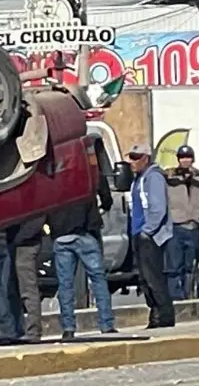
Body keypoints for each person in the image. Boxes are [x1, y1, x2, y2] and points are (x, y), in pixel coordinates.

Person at [46, 174, 116, 339]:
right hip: (85, 232)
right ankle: (106, 324)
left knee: (65, 284)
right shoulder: (87, 176)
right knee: (98, 279)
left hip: (61, 235)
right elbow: (107, 199)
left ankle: (68, 328)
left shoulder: (51, 179)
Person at [164, 145, 199, 300]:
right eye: (182, 157)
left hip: (194, 226)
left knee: (190, 266)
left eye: (188, 157)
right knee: (174, 266)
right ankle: (176, 298)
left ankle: (188, 295)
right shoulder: (170, 179)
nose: (185, 161)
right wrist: (169, 174)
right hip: (176, 227)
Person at [128, 143, 175, 328]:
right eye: (130, 157)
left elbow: (158, 208)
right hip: (138, 234)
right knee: (145, 279)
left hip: (150, 236)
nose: (132, 162)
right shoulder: (139, 178)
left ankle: (163, 316)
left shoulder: (153, 177)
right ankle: (154, 314)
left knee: (153, 277)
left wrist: (147, 231)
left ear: (145, 158)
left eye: (135, 157)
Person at [9, 217, 46, 342]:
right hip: (19, 242)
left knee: (28, 289)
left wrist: (16, 239)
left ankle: (33, 330)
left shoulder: (33, 201)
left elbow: (37, 220)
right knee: (14, 289)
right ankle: (16, 330)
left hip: (26, 244)